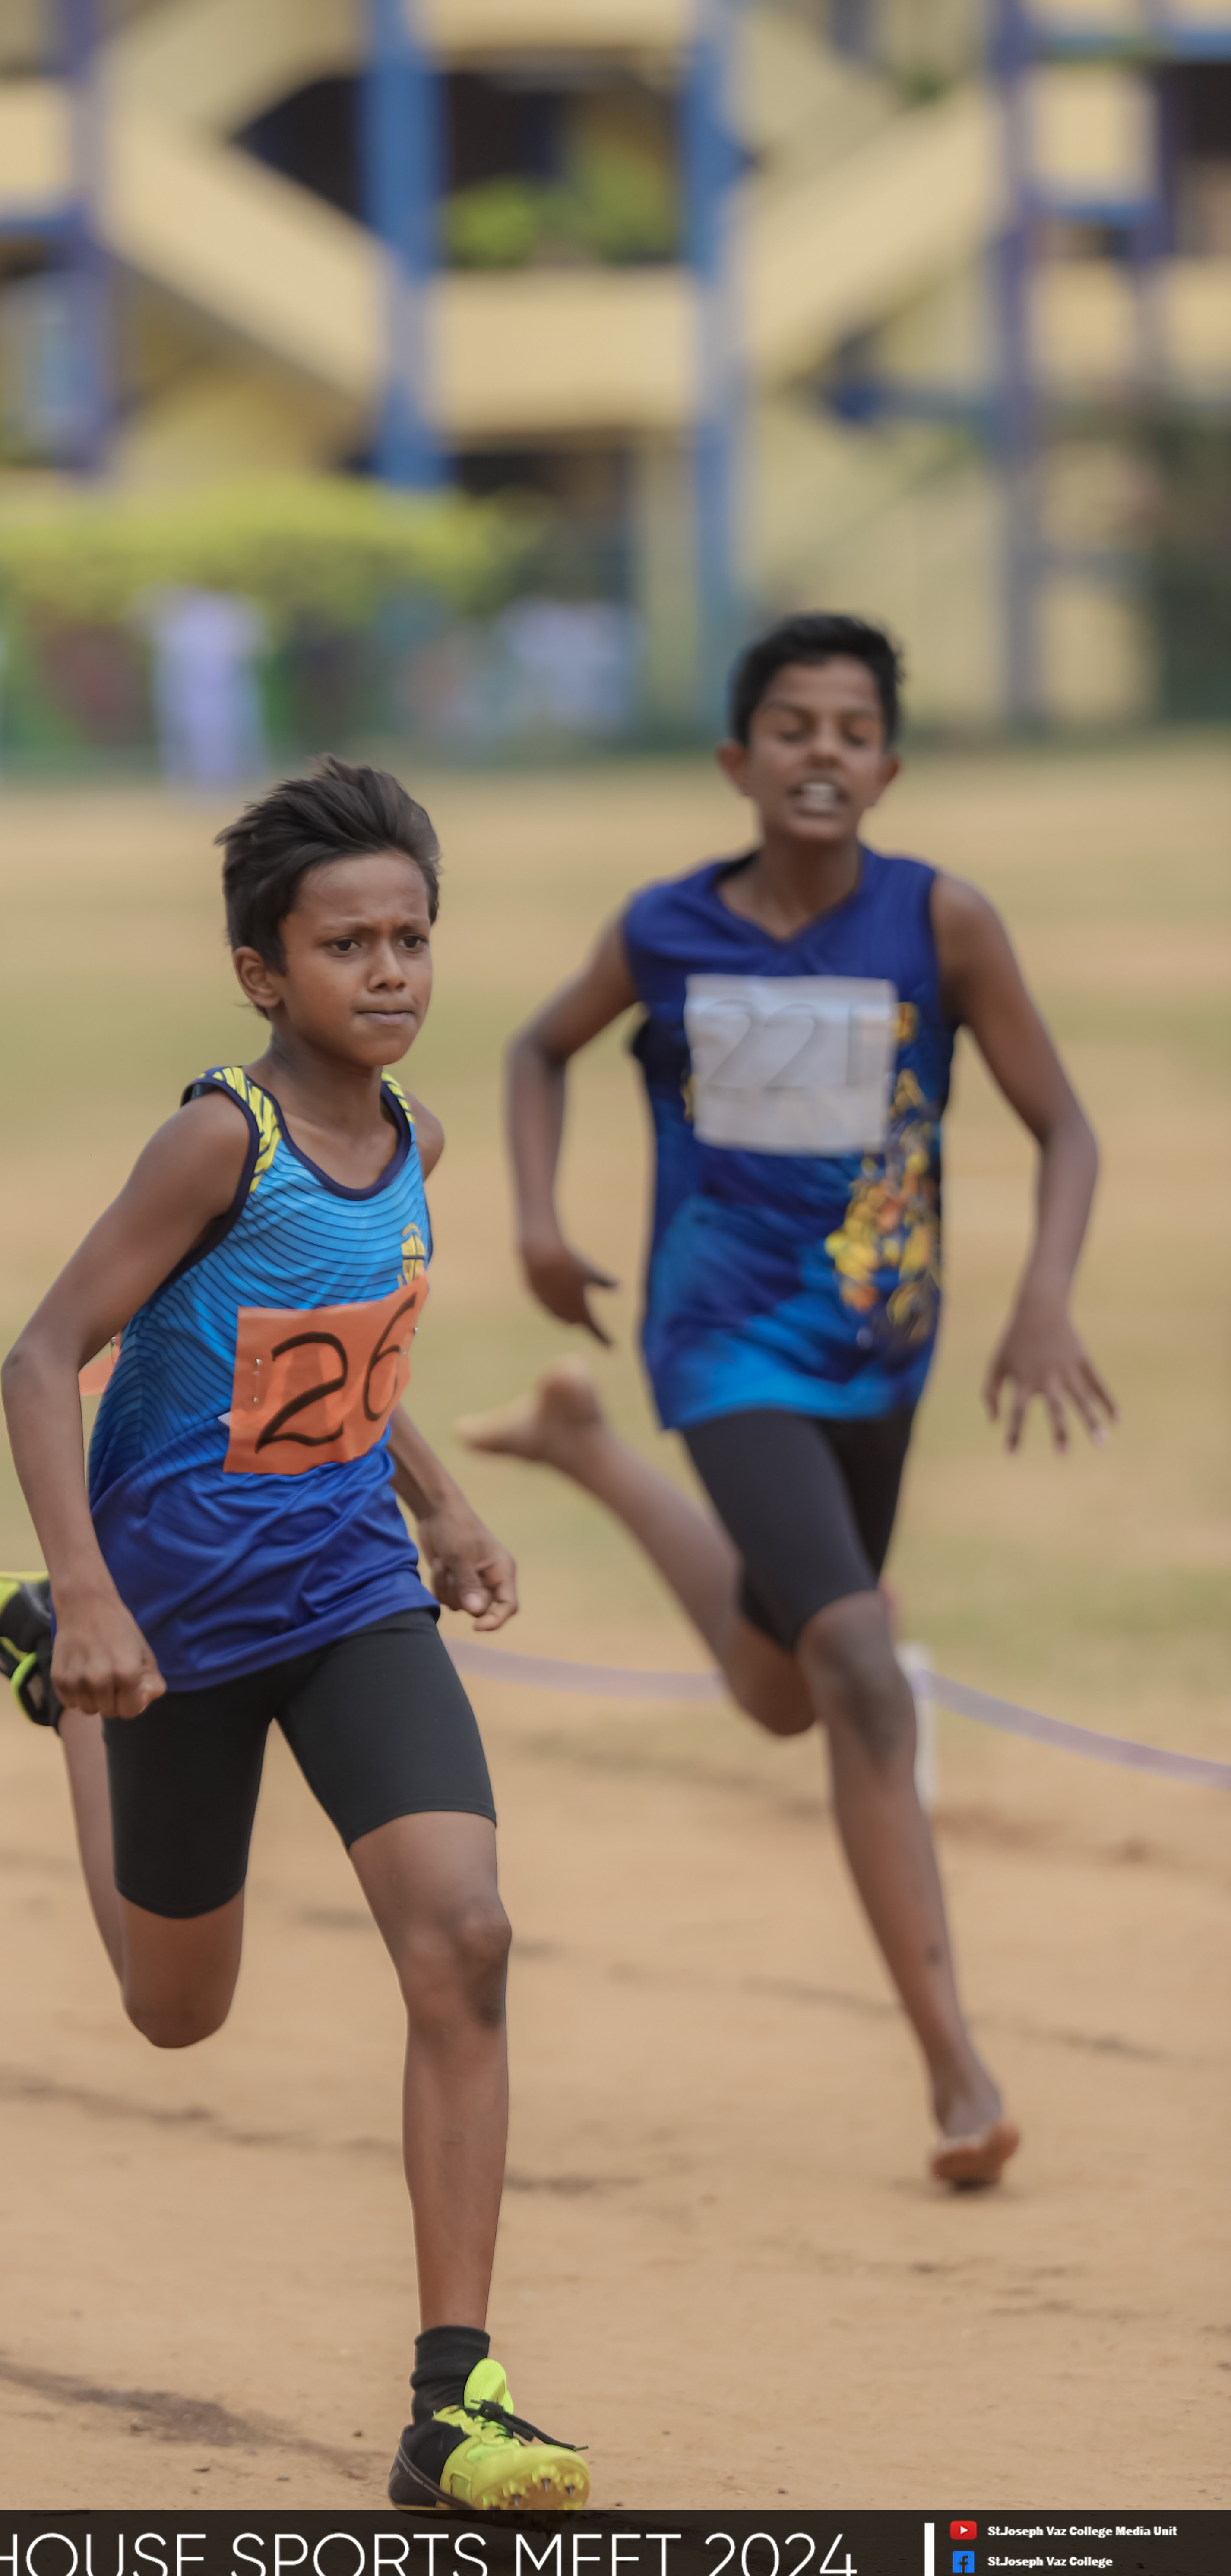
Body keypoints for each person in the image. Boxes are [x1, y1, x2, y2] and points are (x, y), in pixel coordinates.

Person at [0, 758, 589, 2513]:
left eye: (410, 939)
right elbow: (35, 1358)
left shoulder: (413, 1144)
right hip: (173, 1624)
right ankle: (63, 1690)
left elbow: (342, 1359)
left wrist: (440, 1503)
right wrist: (86, 1598)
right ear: (260, 970)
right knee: (178, 2015)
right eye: (344, 944)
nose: (386, 972)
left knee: (461, 1937)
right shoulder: (216, 1139)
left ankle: (452, 2402)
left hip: (344, 1599)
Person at [464, 613, 1113, 2191]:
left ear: (888, 767)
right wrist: (541, 1221)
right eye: (791, 725)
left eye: (851, 729)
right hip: (722, 1341)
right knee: (862, 1673)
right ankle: (959, 2071)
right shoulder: (666, 927)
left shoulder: (941, 923)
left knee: (780, 1689)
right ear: (736, 762)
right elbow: (538, 1049)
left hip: (879, 1354)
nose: (822, 750)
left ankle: (587, 1454)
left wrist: (1041, 1300)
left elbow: (1067, 1129)